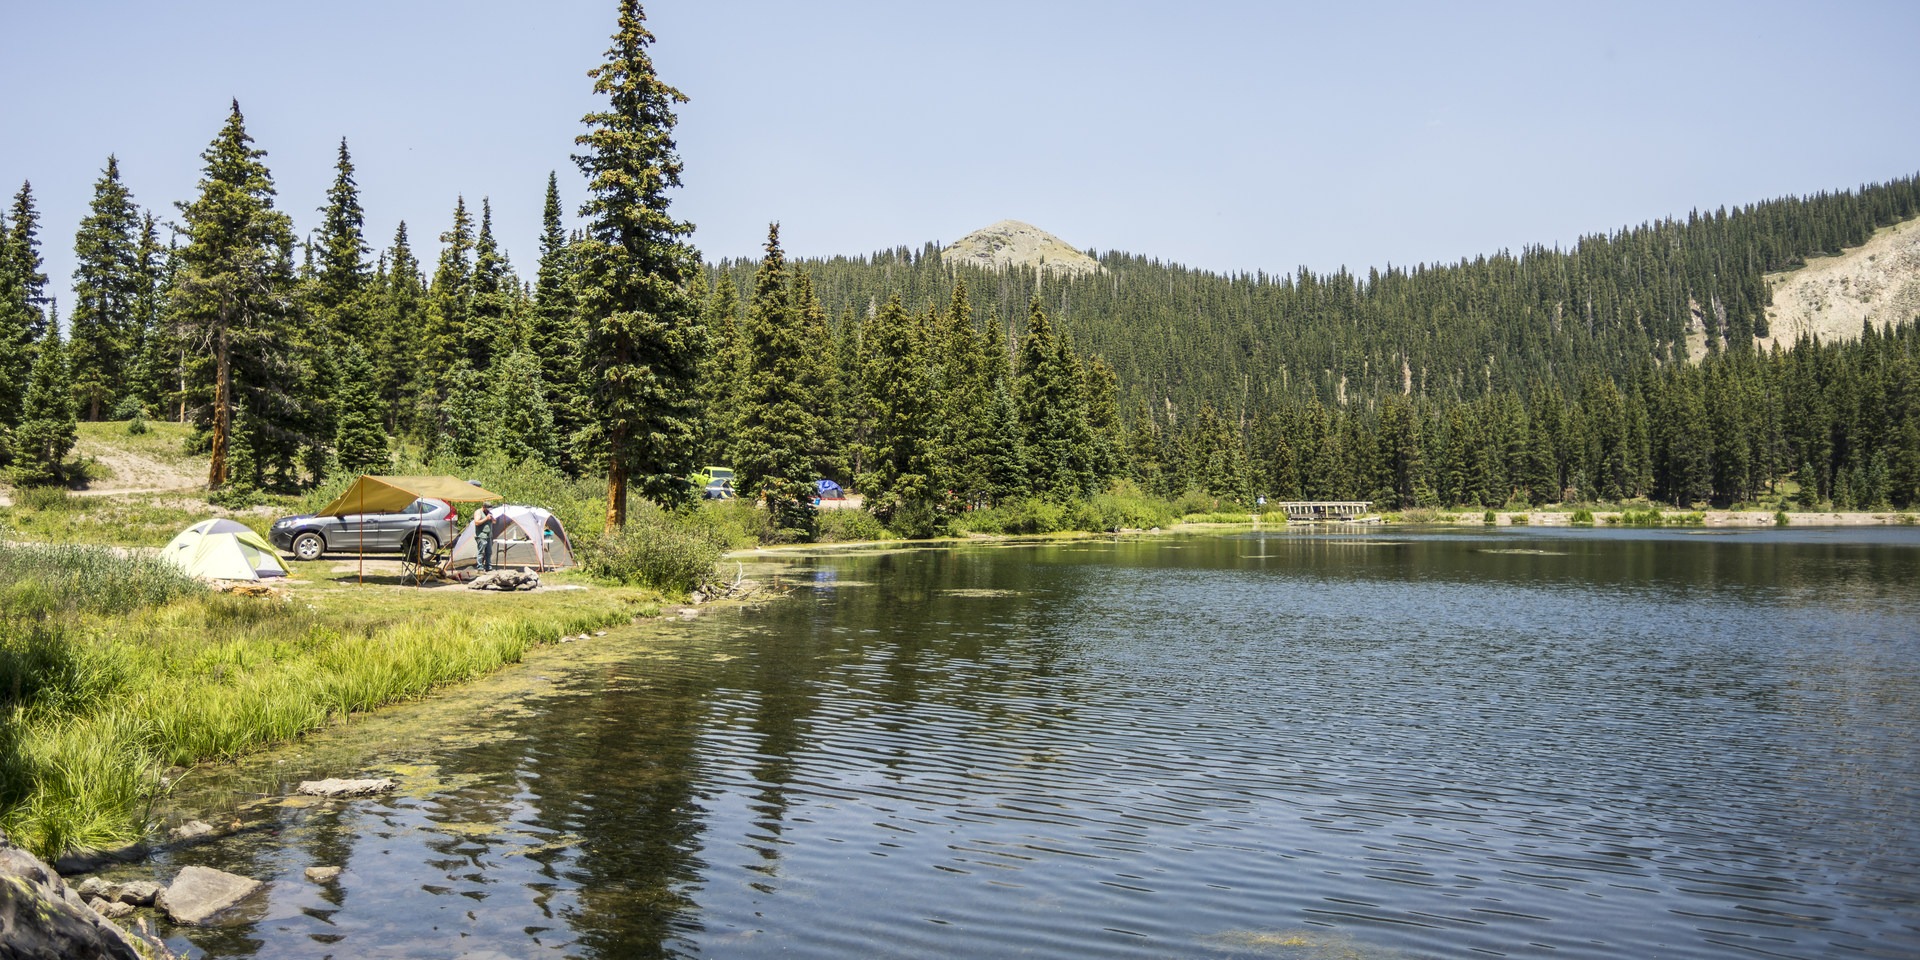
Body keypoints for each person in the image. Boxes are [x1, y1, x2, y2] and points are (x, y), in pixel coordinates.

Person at [473, 505, 495, 572]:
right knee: (481, 552)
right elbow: (476, 522)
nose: (488, 509)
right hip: (481, 535)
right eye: (487, 508)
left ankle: (488, 566)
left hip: (488, 535)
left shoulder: (489, 513)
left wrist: (492, 519)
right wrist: (486, 518)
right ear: (484, 507)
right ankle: (480, 567)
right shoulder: (478, 512)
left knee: (489, 552)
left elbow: (494, 522)